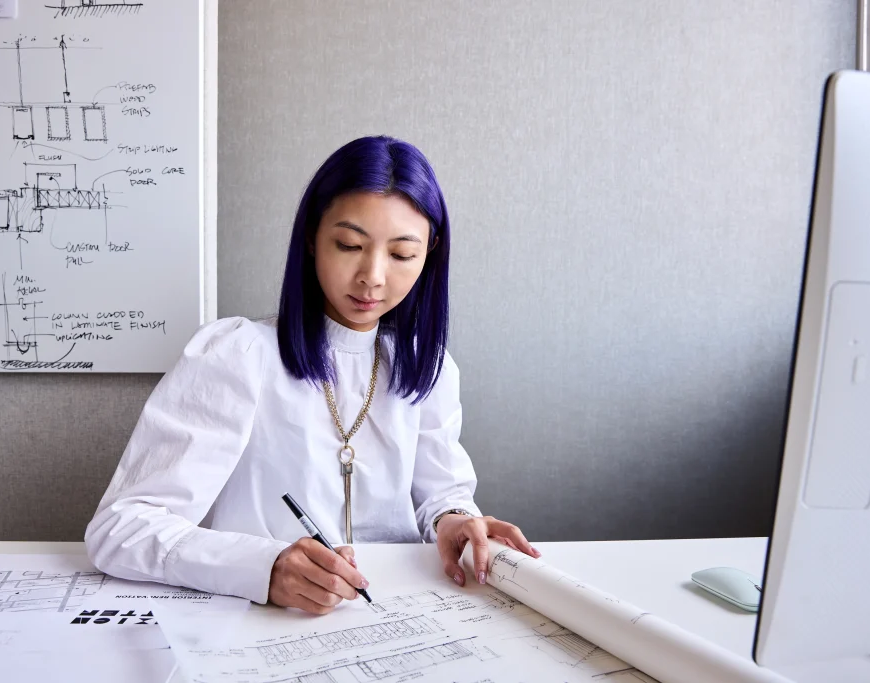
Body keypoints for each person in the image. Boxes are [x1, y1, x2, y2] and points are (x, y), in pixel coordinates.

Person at [85, 135, 538, 615]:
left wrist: (454, 520)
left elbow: (441, 492)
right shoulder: (237, 354)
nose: (372, 276)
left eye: (402, 254)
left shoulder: (427, 366)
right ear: (311, 238)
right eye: (349, 245)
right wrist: (263, 566)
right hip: (262, 623)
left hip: (401, 613)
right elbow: (121, 528)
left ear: (430, 254)